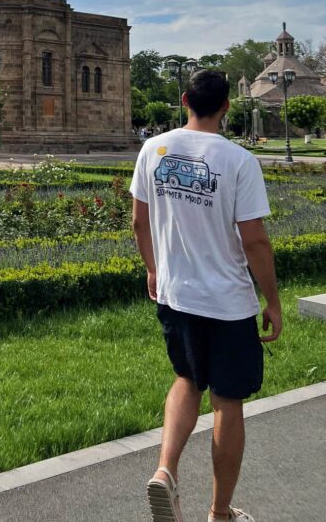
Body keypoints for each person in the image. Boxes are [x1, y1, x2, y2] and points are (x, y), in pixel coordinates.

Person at [130, 69, 281, 522]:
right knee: (227, 400)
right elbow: (253, 239)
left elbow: (139, 222)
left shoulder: (153, 149)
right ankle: (218, 512)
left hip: (176, 295)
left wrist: (153, 269)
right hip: (228, 302)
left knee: (186, 379)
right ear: (227, 107)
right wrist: (272, 299)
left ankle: (164, 471)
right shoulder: (238, 160)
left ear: (183, 100)